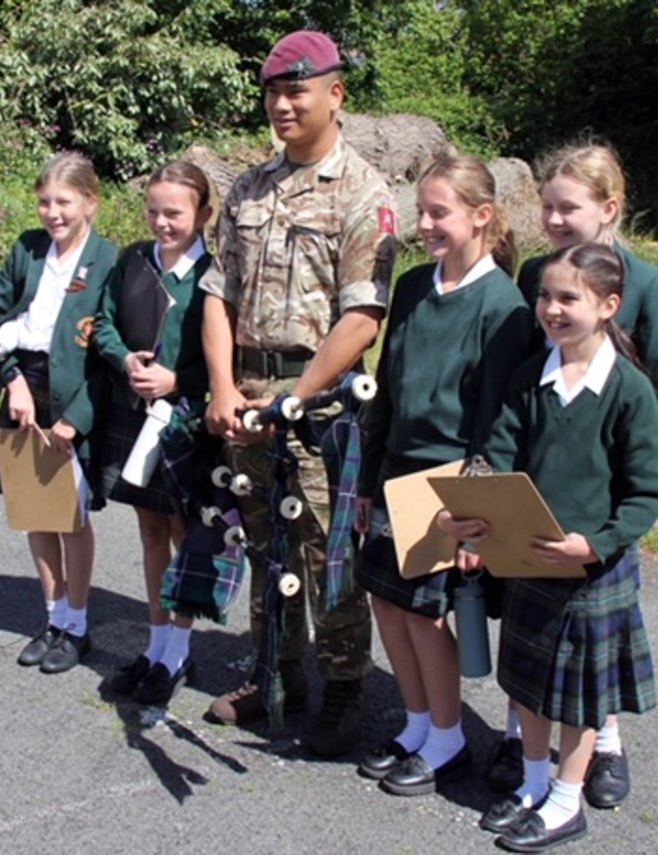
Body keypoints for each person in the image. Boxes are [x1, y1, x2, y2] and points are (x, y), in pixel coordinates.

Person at [199, 29, 398, 757]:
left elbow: (362, 315)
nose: (281, 104)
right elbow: (216, 296)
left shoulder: (364, 192)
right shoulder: (248, 188)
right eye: (273, 92)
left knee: (325, 548)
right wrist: (223, 384)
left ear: (335, 95)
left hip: (320, 406)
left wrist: (295, 397)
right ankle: (275, 674)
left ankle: (344, 686)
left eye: (296, 91)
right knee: (262, 541)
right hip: (247, 391)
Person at [440, 243, 658, 851]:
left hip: (593, 572)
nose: (551, 308)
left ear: (608, 305)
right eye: (544, 295)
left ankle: (567, 800)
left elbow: (648, 493)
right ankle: (534, 785)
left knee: (580, 697)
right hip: (527, 562)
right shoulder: (529, 378)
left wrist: (594, 545)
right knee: (527, 683)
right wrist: (471, 510)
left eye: (569, 297)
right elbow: (500, 455)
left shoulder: (629, 390)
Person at [486, 141, 658, 807]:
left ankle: (603, 746)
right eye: (546, 205)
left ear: (609, 208)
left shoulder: (649, 287)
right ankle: (526, 748)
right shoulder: (538, 276)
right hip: (538, 499)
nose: (554, 218)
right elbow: (517, 399)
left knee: (589, 655)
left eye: (568, 206)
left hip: (604, 496)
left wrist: (625, 518)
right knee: (534, 645)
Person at [354, 156, 533, 796]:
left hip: (450, 482)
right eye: (420, 211)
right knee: (388, 604)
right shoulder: (409, 287)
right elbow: (390, 392)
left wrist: (476, 516)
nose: (422, 224)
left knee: (425, 616)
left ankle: (451, 740)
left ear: (482, 216)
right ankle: (419, 724)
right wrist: (369, 483)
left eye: (438, 212)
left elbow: (499, 422)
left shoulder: (504, 306)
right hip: (395, 473)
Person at [0, 151, 119, 674]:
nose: (52, 212)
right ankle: (53, 617)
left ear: (90, 202)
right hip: (24, 388)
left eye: (63, 201)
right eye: (44, 201)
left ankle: (78, 625)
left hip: (76, 396)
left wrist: (75, 419)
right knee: (36, 510)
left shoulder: (109, 260)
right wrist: (11, 378)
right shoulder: (27, 249)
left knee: (71, 516)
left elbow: (109, 353)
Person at [94, 161, 217, 706]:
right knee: (149, 529)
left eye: (175, 212)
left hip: (186, 416)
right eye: (153, 211)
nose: (162, 222)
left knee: (184, 535)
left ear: (203, 214)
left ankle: (179, 653)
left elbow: (224, 361)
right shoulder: (132, 260)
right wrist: (126, 362)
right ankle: (157, 643)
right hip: (135, 412)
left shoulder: (214, 274)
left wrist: (176, 379)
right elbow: (102, 324)